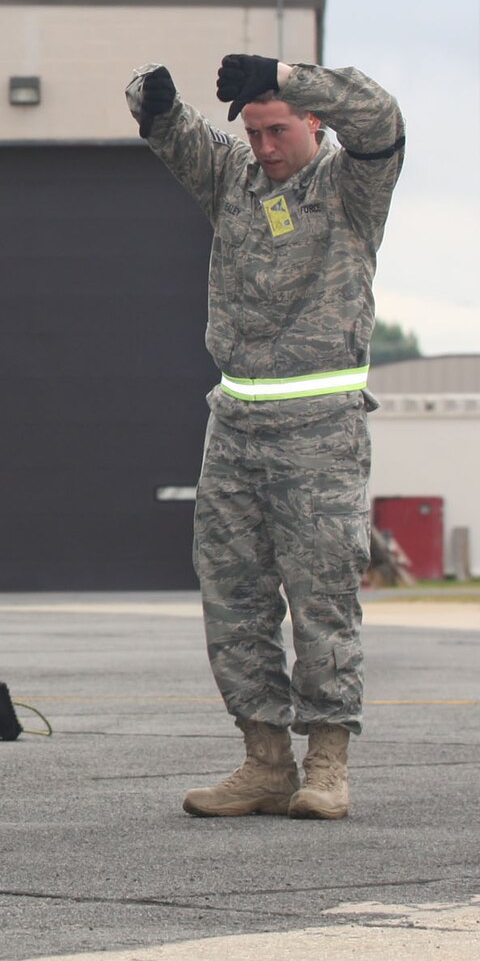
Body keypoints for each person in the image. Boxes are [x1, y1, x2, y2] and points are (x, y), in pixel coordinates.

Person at [127, 53, 404, 821]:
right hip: (237, 429)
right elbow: (176, 140)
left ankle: (328, 764)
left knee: (323, 598)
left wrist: (287, 71)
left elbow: (381, 117)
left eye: (278, 128)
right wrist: (153, 103)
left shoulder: (351, 188)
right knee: (234, 597)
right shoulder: (235, 183)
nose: (265, 146)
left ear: (314, 121)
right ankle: (264, 760)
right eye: (253, 131)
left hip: (319, 432)